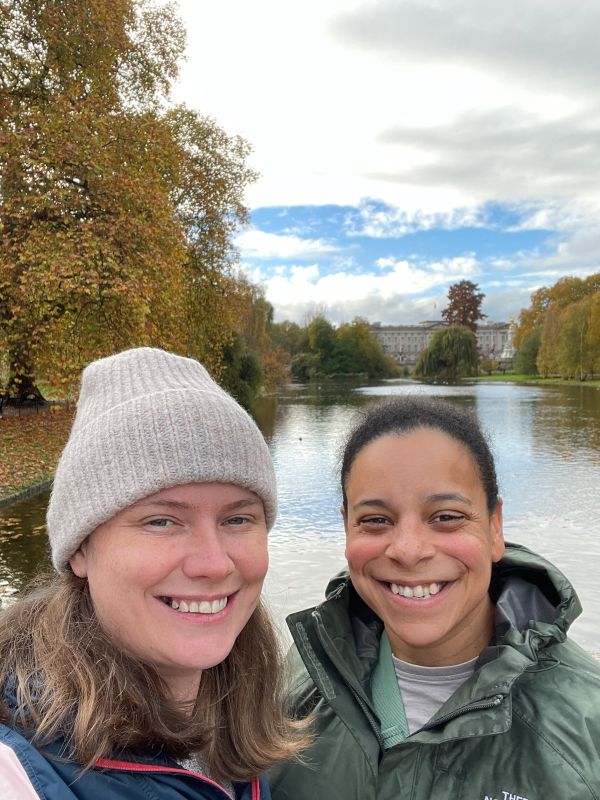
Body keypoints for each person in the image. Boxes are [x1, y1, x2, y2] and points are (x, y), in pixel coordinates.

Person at [0, 346, 308, 800]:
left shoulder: (239, 707)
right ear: (80, 550)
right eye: (161, 521)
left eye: (237, 519)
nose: (214, 563)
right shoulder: (20, 771)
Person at [270, 395, 600, 800]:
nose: (408, 551)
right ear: (346, 528)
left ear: (495, 526)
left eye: (446, 517)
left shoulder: (587, 726)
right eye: (375, 520)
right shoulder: (299, 681)